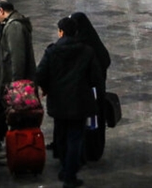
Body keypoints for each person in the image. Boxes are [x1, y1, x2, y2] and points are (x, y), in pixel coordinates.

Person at [35, 17, 105, 188]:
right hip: (80, 102)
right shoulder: (87, 52)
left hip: (58, 103)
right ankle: (69, 175)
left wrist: (47, 87)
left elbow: (39, 75)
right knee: (75, 138)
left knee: (61, 136)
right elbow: (96, 78)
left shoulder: (52, 51)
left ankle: (64, 168)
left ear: (61, 32)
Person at [0, 0, 36, 149]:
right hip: (9, 82)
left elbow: (17, 58)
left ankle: (13, 150)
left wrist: (17, 87)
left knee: (14, 119)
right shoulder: (12, 25)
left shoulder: (14, 27)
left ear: (1, 11)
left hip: (12, 84)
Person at [69, 12, 111, 162]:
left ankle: (83, 151)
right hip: (97, 91)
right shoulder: (95, 43)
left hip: (84, 92)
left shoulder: (79, 45)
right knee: (95, 122)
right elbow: (105, 60)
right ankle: (95, 149)